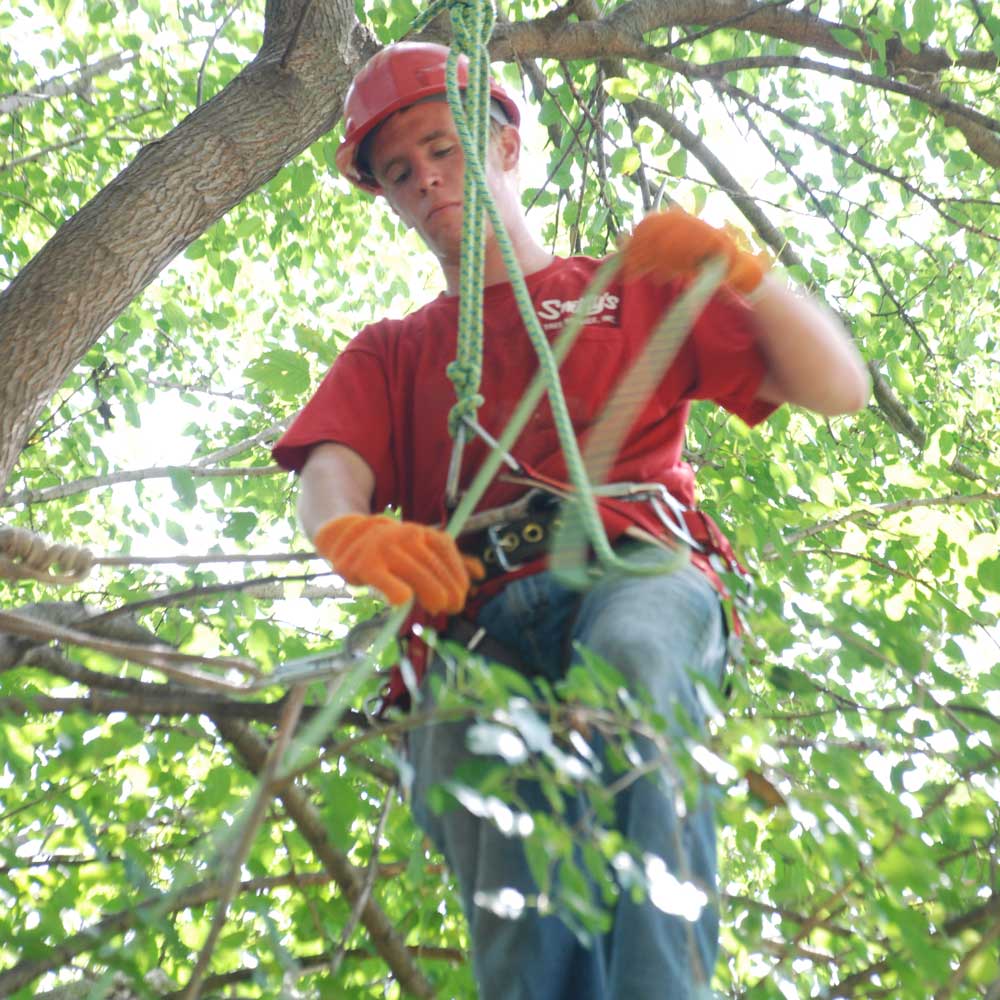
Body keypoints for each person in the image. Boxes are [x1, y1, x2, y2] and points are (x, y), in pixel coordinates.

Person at [272, 41, 869, 1000]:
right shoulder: (397, 352)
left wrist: (741, 274)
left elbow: (839, 387)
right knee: (515, 901)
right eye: (398, 171)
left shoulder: (628, 291)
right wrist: (349, 531)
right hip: (468, 620)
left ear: (505, 146)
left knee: (636, 670)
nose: (425, 179)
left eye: (443, 147)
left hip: (630, 569)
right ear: (385, 198)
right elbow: (331, 471)